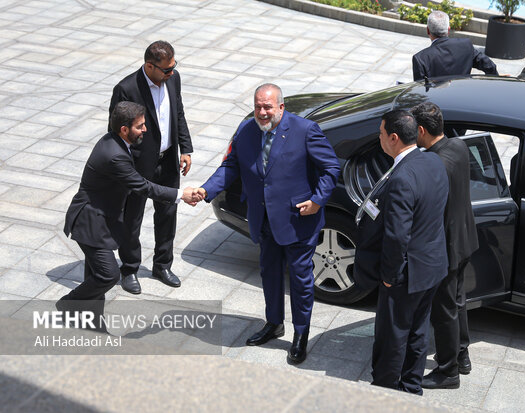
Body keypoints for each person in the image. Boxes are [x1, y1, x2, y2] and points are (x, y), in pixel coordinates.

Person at [196, 83, 340, 364]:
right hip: (263, 220)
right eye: (258, 106)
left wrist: (318, 200)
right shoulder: (246, 131)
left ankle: (300, 334)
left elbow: (330, 167)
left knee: (300, 280)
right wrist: (206, 189)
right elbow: (231, 166)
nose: (262, 112)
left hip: (298, 219)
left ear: (281, 107)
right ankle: (274, 323)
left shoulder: (305, 130)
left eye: (268, 107)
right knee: (269, 274)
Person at [58, 102, 201, 325]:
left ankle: (92, 322)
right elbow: (143, 186)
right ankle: (69, 305)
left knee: (94, 274)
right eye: (140, 126)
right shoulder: (115, 155)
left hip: (100, 220)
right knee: (108, 275)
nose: (145, 129)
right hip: (90, 222)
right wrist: (181, 194)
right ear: (124, 129)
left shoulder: (114, 141)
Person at [370, 109, 448, 395]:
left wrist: (390, 276)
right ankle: (412, 387)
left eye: (380, 134)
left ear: (393, 138)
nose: (378, 138)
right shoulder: (433, 161)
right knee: (418, 331)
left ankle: (385, 390)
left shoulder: (402, 178)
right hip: (433, 266)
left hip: (407, 274)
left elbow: (397, 235)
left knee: (393, 336)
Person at [109, 40, 193, 294]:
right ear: (149, 66)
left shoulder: (173, 79)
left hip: (167, 159)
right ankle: (130, 268)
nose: (172, 72)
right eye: (166, 69)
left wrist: (185, 148)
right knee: (132, 218)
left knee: (168, 214)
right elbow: (116, 132)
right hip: (137, 165)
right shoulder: (126, 88)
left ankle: (162, 265)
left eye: (173, 67)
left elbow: (178, 112)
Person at [412, 102, 479, 389]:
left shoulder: (433, 164)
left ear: (422, 130)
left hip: (446, 248)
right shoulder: (458, 146)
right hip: (465, 239)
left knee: (444, 310)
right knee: (458, 301)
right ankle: (461, 353)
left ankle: (448, 370)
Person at [412, 10, 498, 81]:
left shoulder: (420, 59)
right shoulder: (466, 45)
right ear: (448, 29)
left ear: (428, 30)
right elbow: (489, 66)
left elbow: (420, 90)